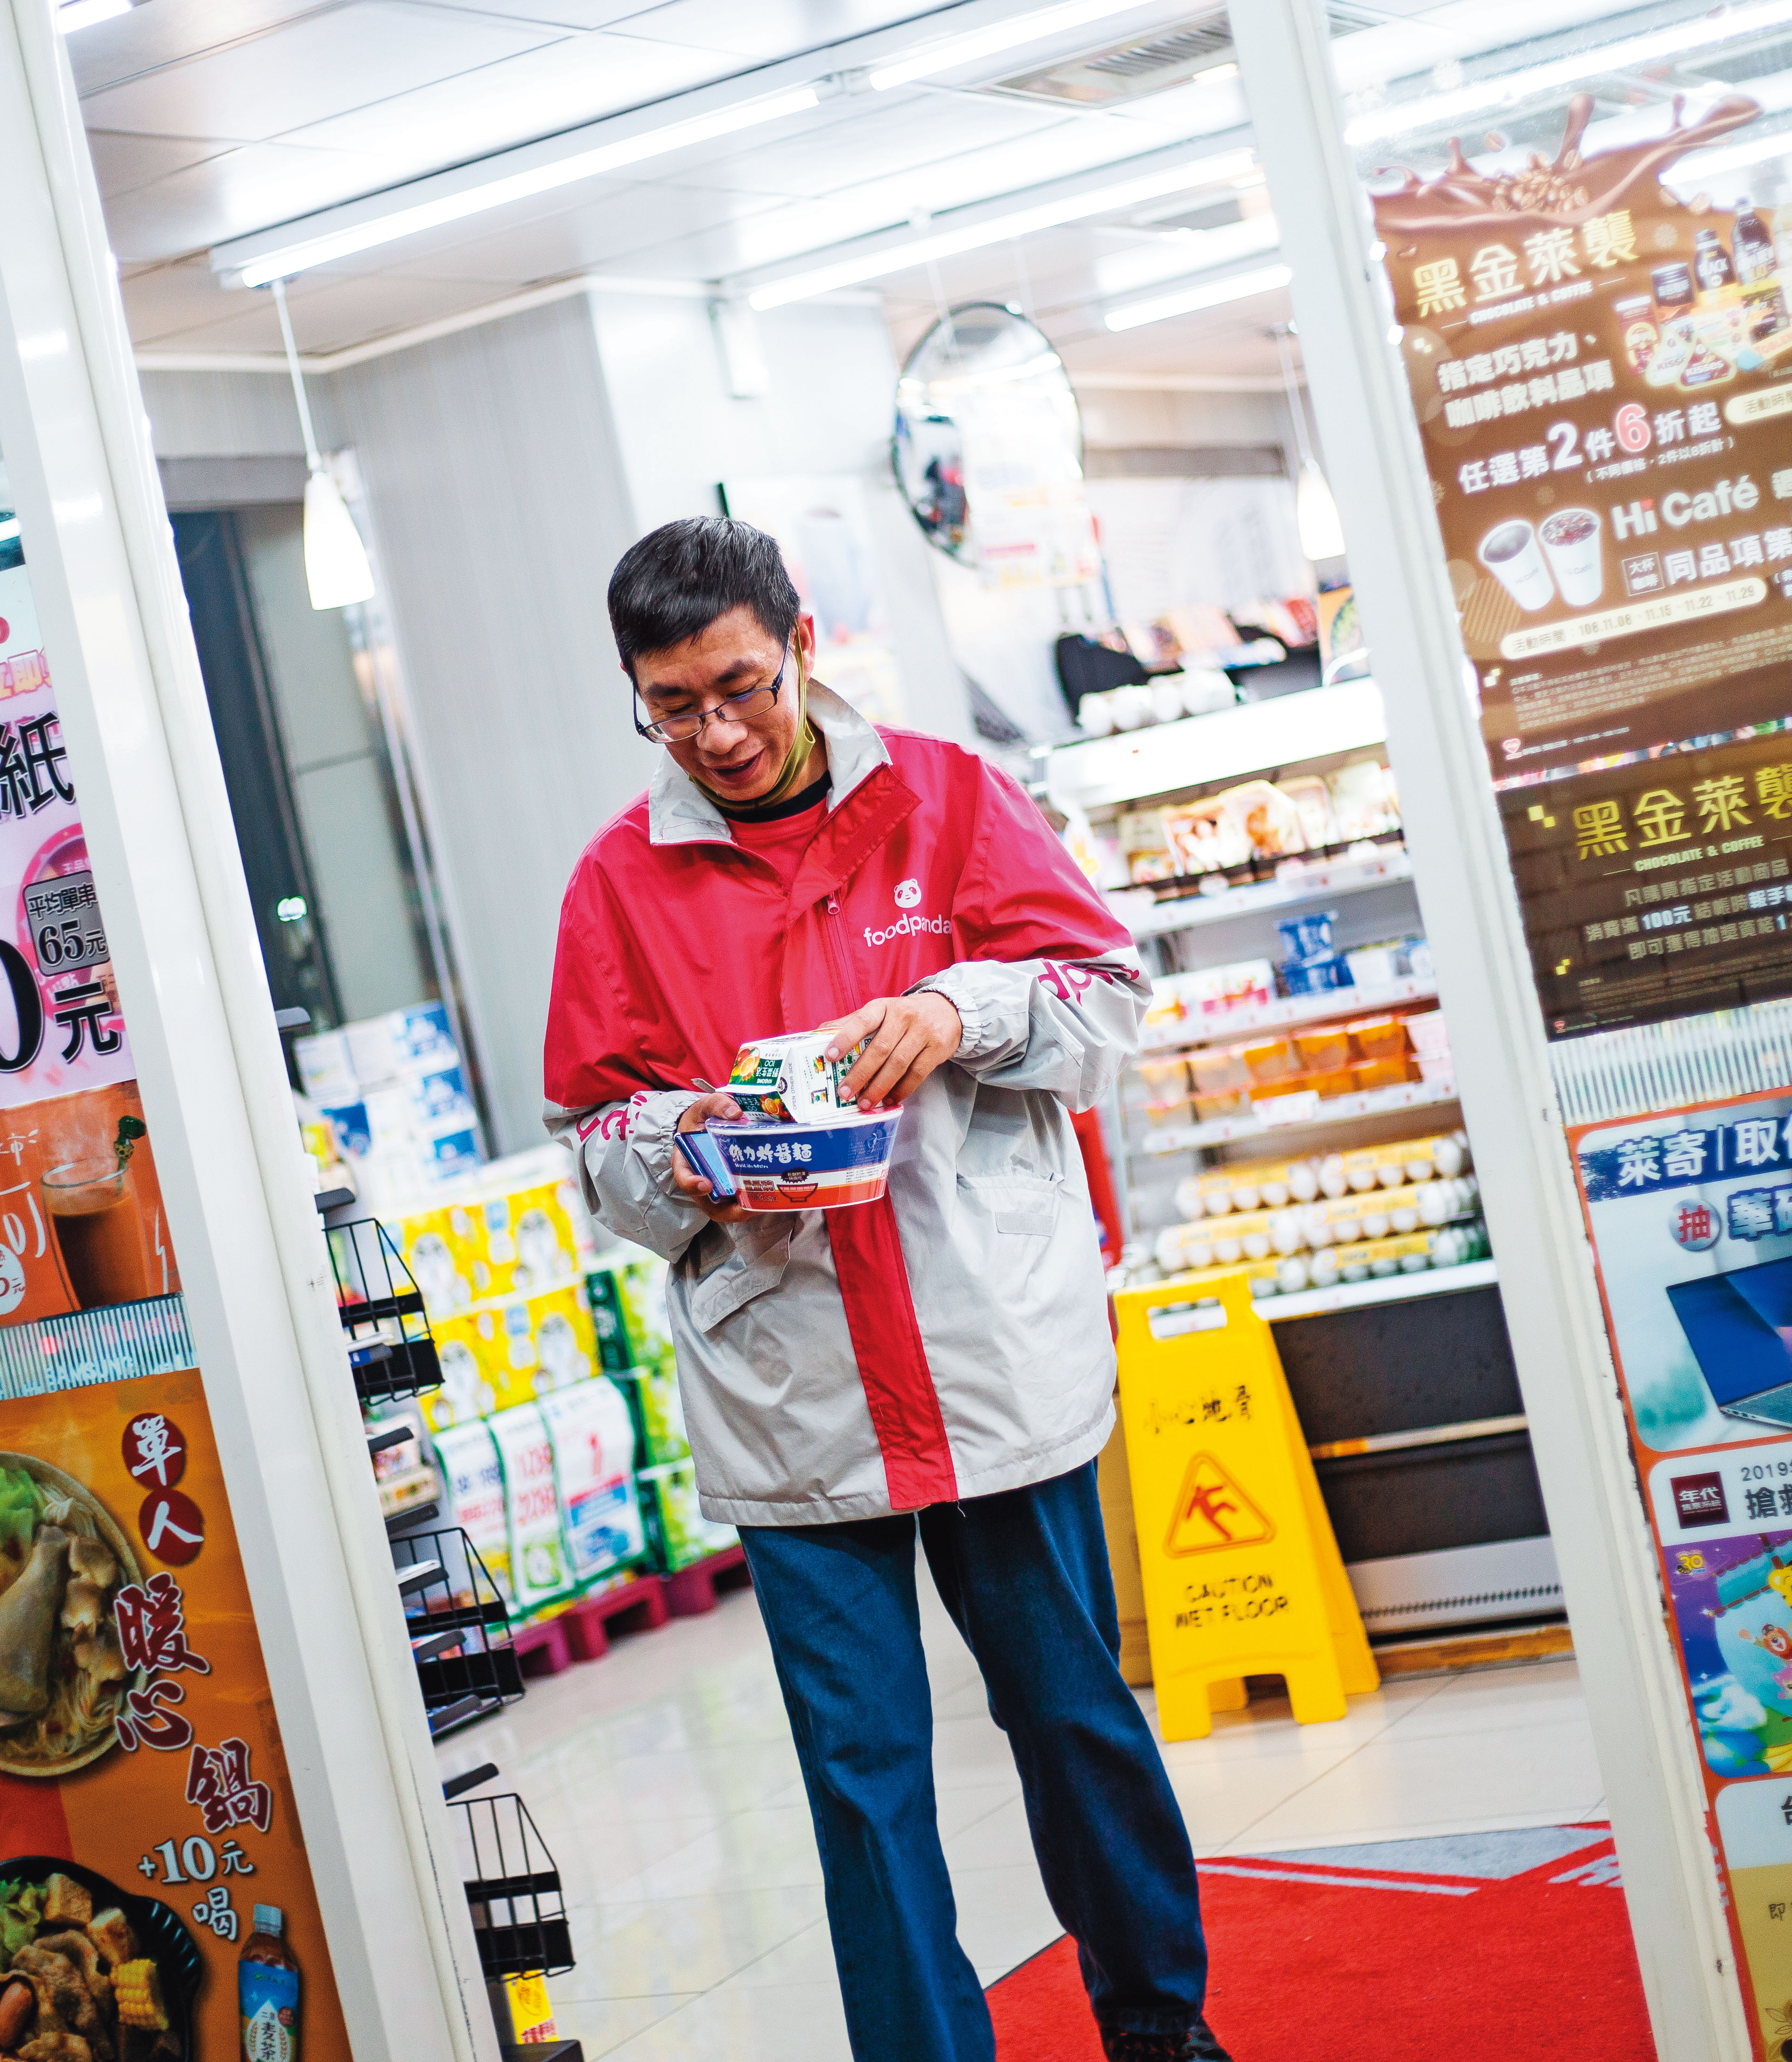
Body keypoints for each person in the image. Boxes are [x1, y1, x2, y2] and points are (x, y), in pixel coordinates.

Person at [543, 518, 1223, 2062]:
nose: (714, 733)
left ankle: (1164, 2029)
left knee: (1072, 1725)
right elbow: (596, 1146)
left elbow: (1108, 1009)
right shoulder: (618, 884)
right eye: (671, 705)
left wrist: (959, 1005)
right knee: (862, 1778)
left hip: (986, 1353)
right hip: (790, 1389)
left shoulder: (947, 795)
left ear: (800, 646)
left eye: (739, 688)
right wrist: (691, 1143)